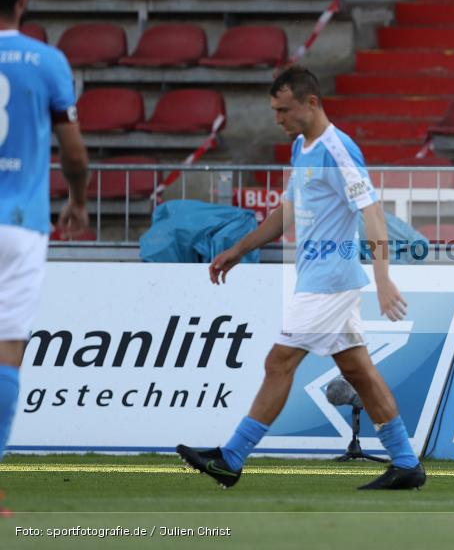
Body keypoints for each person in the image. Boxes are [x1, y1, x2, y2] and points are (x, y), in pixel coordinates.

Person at [176, 65, 426, 490]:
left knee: (279, 362)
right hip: (317, 279)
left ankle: (232, 457)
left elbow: (373, 213)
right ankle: (406, 463)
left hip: (330, 282)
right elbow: (286, 214)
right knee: (359, 370)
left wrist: (383, 278)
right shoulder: (301, 148)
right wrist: (238, 250)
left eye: (284, 110)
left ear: (312, 103)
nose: (278, 119)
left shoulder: (338, 149)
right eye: (274, 111)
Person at [0, 0, 89, 468]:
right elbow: (73, 152)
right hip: (19, 226)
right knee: (8, 351)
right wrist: (76, 200)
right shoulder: (47, 60)